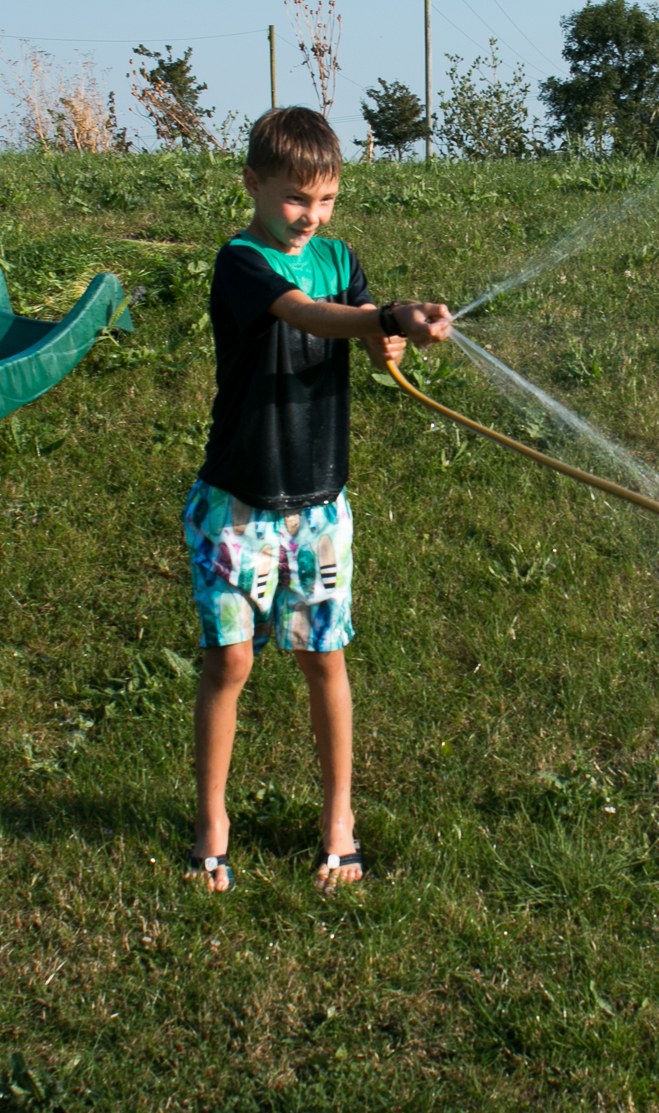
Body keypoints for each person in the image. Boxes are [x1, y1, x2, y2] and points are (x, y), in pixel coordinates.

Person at [183, 106, 451, 893]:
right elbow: (303, 314)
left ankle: (340, 823)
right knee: (228, 661)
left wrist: (397, 334)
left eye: (326, 200)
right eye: (297, 199)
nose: (312, 217)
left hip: (319, 509)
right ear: (254, 185)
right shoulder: (240, 261)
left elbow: (369, 348)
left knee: (323, 658)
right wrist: (378, 316)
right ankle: (211, 823)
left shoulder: (340, 258)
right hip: (237, 503)